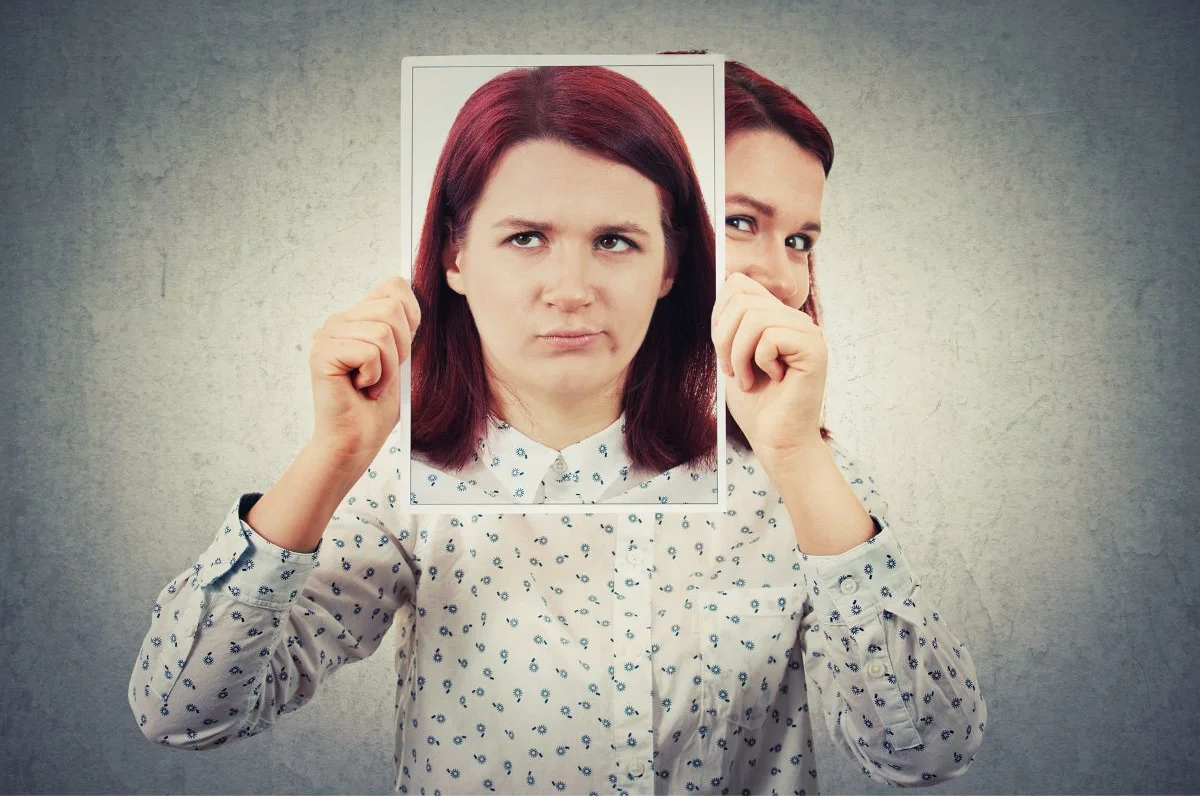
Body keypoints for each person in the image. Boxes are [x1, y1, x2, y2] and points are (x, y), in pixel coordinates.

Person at [130, 59, 985, 794]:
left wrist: (794, 457)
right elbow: (184, 712)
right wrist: (331, 456)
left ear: (664, 255)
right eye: (740, 221)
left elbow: (923, 749)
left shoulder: (802, 483)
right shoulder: (405, 485)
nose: (776, 274)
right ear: (457, 254)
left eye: (799, 239)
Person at [405, 65, 718, 506]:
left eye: (613, 241)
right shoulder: (367, 482)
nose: (571, 292)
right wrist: (337, 457)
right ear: (454, 259)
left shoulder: (761, 480)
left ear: (670, 266)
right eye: (525, 238)